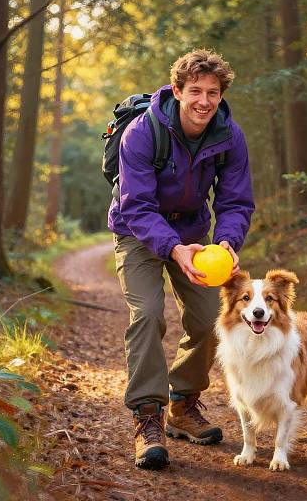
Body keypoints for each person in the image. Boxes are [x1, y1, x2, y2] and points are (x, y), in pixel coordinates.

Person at [108, 49, 255, 470]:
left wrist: (226, 242)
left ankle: (182, 403)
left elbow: (235, 200)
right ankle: (147, 418)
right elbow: (136, 206)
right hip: (137, 231)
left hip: (195, 233)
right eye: (195, 91)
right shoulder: (142, 132)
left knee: (214, 316)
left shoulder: (229, 135)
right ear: (177, 91)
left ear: (221, 94)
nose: (204, 101)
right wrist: (172, 247)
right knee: (148, 314)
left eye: (212, 92)